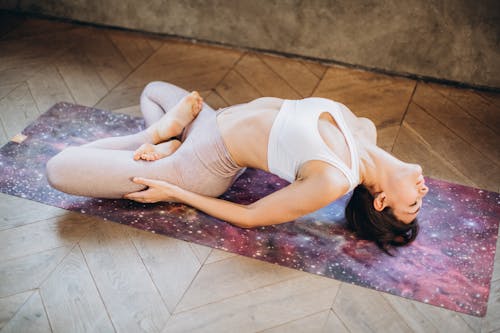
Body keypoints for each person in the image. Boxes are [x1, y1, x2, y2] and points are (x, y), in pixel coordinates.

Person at [46, 81, 428, 253]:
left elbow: (251, 217)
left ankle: (162, 144)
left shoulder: (334, 178)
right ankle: (161, 136)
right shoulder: (365, 130)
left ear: (380, 201)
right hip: (212, 124)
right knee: (154, 89)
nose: (423, 192)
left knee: (59, 168)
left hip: (201, 167)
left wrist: (178, 192)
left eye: (413, 203)